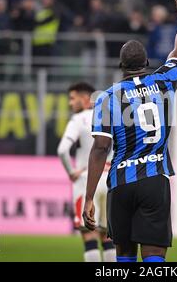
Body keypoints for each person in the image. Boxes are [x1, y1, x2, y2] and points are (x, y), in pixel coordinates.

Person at [82, 0, 177, 262]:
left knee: (123, 254)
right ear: (146, 63)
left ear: (121, 66)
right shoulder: (163, 80)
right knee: (154, 256)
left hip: (121, 183)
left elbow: (100, 149)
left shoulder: (107, 97)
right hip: (153, 181)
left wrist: (89, 197)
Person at [57, 82, 116, 262]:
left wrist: (71, 172)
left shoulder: (78, 119)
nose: (70, 103)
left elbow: (62, 150)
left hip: (86, 181)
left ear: (85, 100)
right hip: (110, 180)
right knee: (108, 237)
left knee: (88, 236)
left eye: (72, 98)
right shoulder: (109, 117)